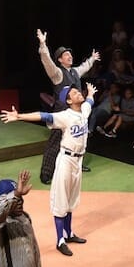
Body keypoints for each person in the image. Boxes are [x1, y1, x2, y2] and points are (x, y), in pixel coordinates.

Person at [1, 81, 96, 256]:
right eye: (74, 93)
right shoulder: (65, 116)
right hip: (66, 161)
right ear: (68, 101)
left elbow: (90, 102)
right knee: (61, 200)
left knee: (71, 199)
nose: (78, 94)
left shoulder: (84, 111)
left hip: (78, 162)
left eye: (78, 92)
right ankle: (60, 240)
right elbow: (43, 115)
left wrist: (90, 93)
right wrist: (19, 116)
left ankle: (69, 233)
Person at [36, 28, 100, 183]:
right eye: (66, 55)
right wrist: (43, 45)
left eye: (70, 54)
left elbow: (85, 67)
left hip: (76, 112)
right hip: (62, 114)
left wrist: (92, 59)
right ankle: (46, 173)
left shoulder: (75, 72)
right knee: (55, 143)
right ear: (60, 59)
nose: (69, 56)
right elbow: (47, 61)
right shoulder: (57, 73)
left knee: (78, 139)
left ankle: (78, 163)